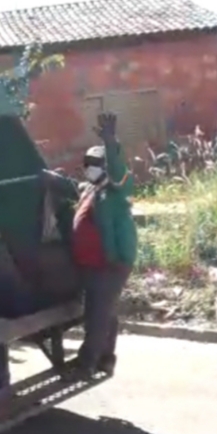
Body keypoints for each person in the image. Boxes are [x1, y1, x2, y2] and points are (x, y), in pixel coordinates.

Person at [39, 112, 137, 380]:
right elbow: (73, 187)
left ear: (105, 166)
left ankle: (86, 365)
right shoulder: (90, 189)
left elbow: (118, 172)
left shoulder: (116, 189)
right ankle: (106, 358)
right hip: (94, 264)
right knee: (105, 312)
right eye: (87, 163)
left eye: (95, 163)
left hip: (110, 263)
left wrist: (110, 141)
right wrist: (49, 178)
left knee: (97, 314)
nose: (89, 167)